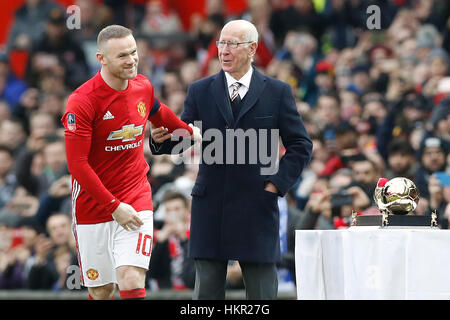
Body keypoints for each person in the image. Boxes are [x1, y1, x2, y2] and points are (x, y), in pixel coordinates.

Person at [150, 20, 312, 300]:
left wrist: (276, 184)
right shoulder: (200, 90)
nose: (223, 50)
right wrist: (160, 139)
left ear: (252, 49)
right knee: (206, 296)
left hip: (257, 205)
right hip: (210, 205)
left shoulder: (277, 91)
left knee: (262, 294)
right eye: (221, 43)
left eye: (232, 44)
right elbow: (186, 137)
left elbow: (300, 144)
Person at [61, 25, 200, 300]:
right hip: (94, 202)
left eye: (134, 52)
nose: (131, 60)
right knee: (101, 290)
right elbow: (76, 165)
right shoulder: (82, 101)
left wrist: (190, 131)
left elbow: (160, 114)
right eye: (122, 56)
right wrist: (113, 207)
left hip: (136, 194)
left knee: (130, 276)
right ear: (101, 59)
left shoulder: (143, 86)